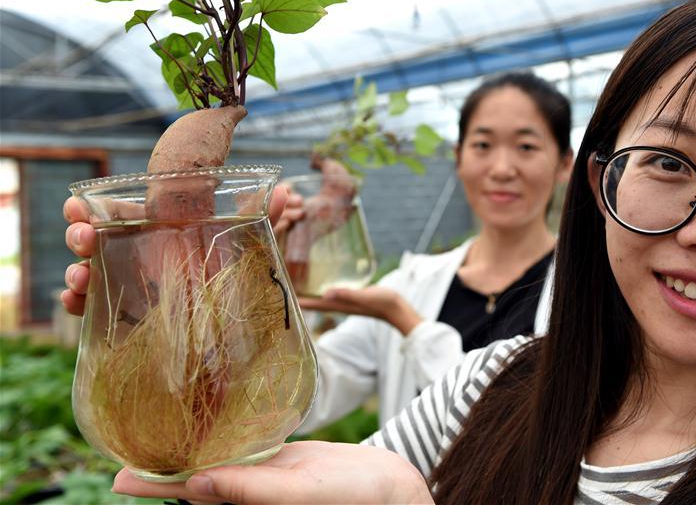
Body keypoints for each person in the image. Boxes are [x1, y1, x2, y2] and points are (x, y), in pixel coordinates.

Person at [92, 0, 696, 504]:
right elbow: (292, 415)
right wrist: (183, 295)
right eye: (667, 163)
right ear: (599, 182)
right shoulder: (489, 386)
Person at [62, 71, 574, 433]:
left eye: (526, 147)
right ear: (459, 158)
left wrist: (409, 324)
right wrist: (204, 308)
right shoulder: (414, 280)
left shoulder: (588, 291)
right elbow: (304, 399)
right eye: (483, 145)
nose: (502, 167)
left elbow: (522, 427)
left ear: (565, 163)